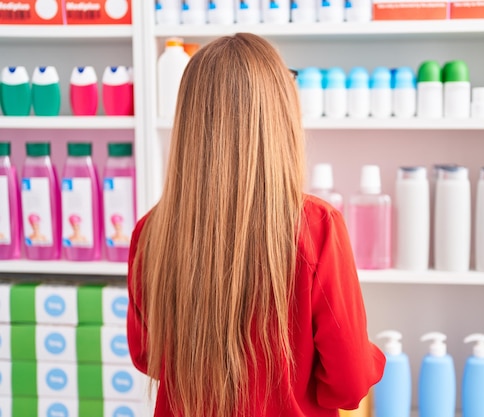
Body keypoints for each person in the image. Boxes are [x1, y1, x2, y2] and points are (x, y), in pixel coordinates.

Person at [127, 33, 384, 417]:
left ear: (190, 122)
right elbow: (349, 385)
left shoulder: (151, 233)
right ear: (280, 117)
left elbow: (149, 357)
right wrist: (370, 355)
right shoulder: (316, 228)